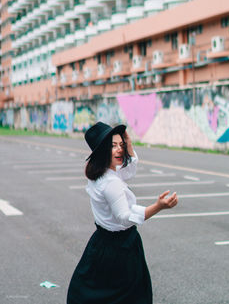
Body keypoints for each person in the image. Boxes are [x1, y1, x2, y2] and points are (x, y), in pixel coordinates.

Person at [67, 121, 178, 304]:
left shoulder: (101, 174)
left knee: (96, 293)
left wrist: (130, 145)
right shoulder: (111, 183)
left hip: (102, 244)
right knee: (130, 296)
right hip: (120, 249)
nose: (120, 149)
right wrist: (158, 206)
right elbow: (125, 218)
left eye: (121, 145)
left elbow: (128, 172)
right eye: (113, 146)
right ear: (102, 151)